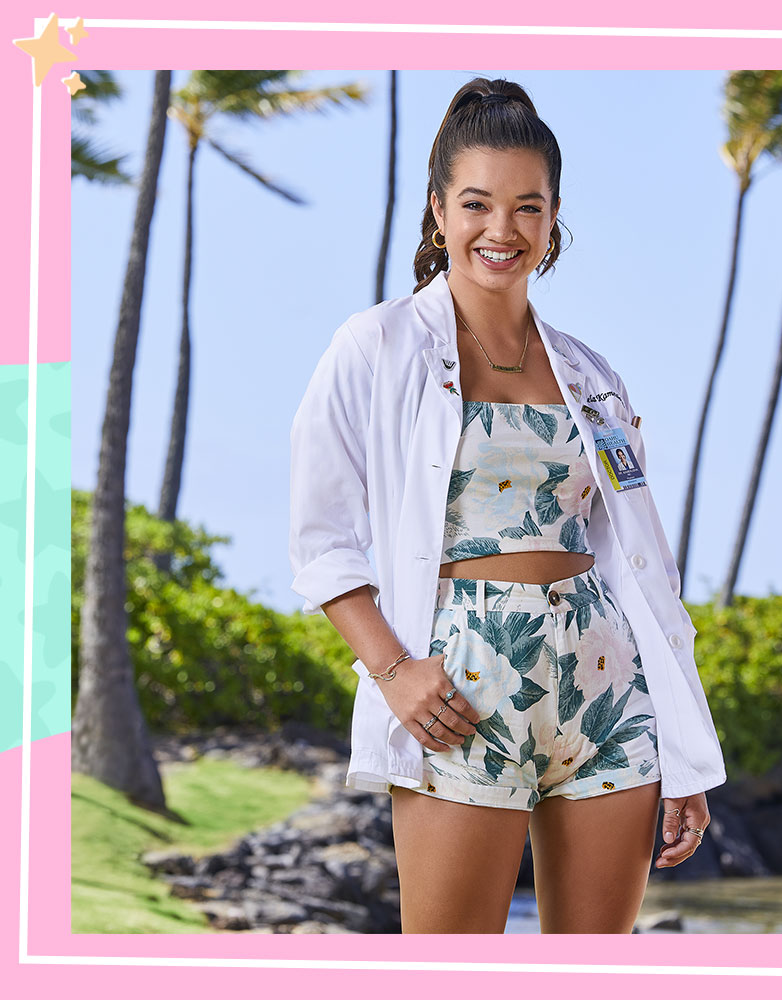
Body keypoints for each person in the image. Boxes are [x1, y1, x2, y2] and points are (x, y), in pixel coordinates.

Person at [289, 77, 726, 934]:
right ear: (439, 210)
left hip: (607, 691)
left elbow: (639, 566)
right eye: (479, 204)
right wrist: (393, 671)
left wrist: (683, 748)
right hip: (460, 686)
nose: (503, 230)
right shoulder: (375, 347)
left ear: (554, 215)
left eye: (528, 207)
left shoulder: (592, 373)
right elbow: (321, 537)